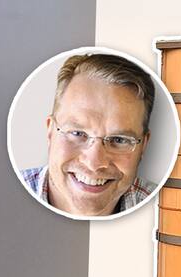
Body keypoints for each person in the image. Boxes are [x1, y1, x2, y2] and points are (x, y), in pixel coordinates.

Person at [21, 53, 157, 217]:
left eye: (119, 140)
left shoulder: (165, 206)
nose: (94, 163)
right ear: (50, 132)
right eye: (78, 133)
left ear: (143, 146)